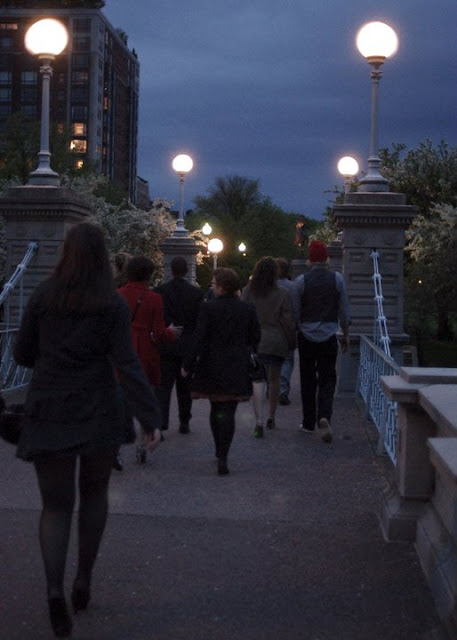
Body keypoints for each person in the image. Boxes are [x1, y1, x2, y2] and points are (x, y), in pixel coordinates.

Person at [13, 223, 162, 638]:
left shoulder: (44, 295)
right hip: (98, 408)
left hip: (50, 409)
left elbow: (21, 353)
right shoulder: (111, 303)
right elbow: (126, 362)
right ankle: (83, 579)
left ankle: (53, 591)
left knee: (55, 506)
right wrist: (149, 417)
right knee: (94, 495)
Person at [181, 268, 260, 475]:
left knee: (215, 407)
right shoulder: (247, 309)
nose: (212, 287)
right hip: (236, 364)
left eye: (214, 284)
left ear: (222, 287)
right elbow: (255, 337)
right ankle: (224, 454)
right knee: (229, 411)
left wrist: (187, 364)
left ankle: (218, 448)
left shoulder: (208, 308)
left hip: (212, 364)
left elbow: (199, 338)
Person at [293, 240, 351, 443]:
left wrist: (296, 331)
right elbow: (344, 310)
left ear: (310, 260)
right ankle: (324, 415)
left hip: (306, 336)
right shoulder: (337, 279)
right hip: (329, 334)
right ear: (326, 259)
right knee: (328, 378)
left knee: (307, 379)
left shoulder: (301, 281)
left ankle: (308, 422)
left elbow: (296, 312)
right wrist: (346, 333)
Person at [241, 256, 296, 438]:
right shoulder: (282, 294)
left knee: (258, 381)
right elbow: (287, 321)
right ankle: (272, 416)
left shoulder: (248, 291)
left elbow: (242, 314)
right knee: (274, 380)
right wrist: (291, 341)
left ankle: (259, 420)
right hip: (276, 340)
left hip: (255, 340)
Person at [155, 256, 204, 434]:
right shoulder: (196, 294)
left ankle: (161, 421)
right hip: (187, 346)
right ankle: (184, 421)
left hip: (166, 344)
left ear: (170, 269)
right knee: (185, 388)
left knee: (163, 388)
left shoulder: (159, 291)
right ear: (187, 270)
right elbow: (199, 323)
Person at [118, 256, 182, 389]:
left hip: (121, 346)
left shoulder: (118, 294)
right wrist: (171, 332)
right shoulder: (154, 298)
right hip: (143, 349)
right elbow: (158, 332)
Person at [276, 258, 299, 405]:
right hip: (287, 328)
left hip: (269, 328)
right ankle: (282, 390)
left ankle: (272, 387)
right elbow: (296, 308)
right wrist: (295, 325)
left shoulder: (267, 286)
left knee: (271, 359)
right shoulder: (293, 287)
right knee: (287, 360)